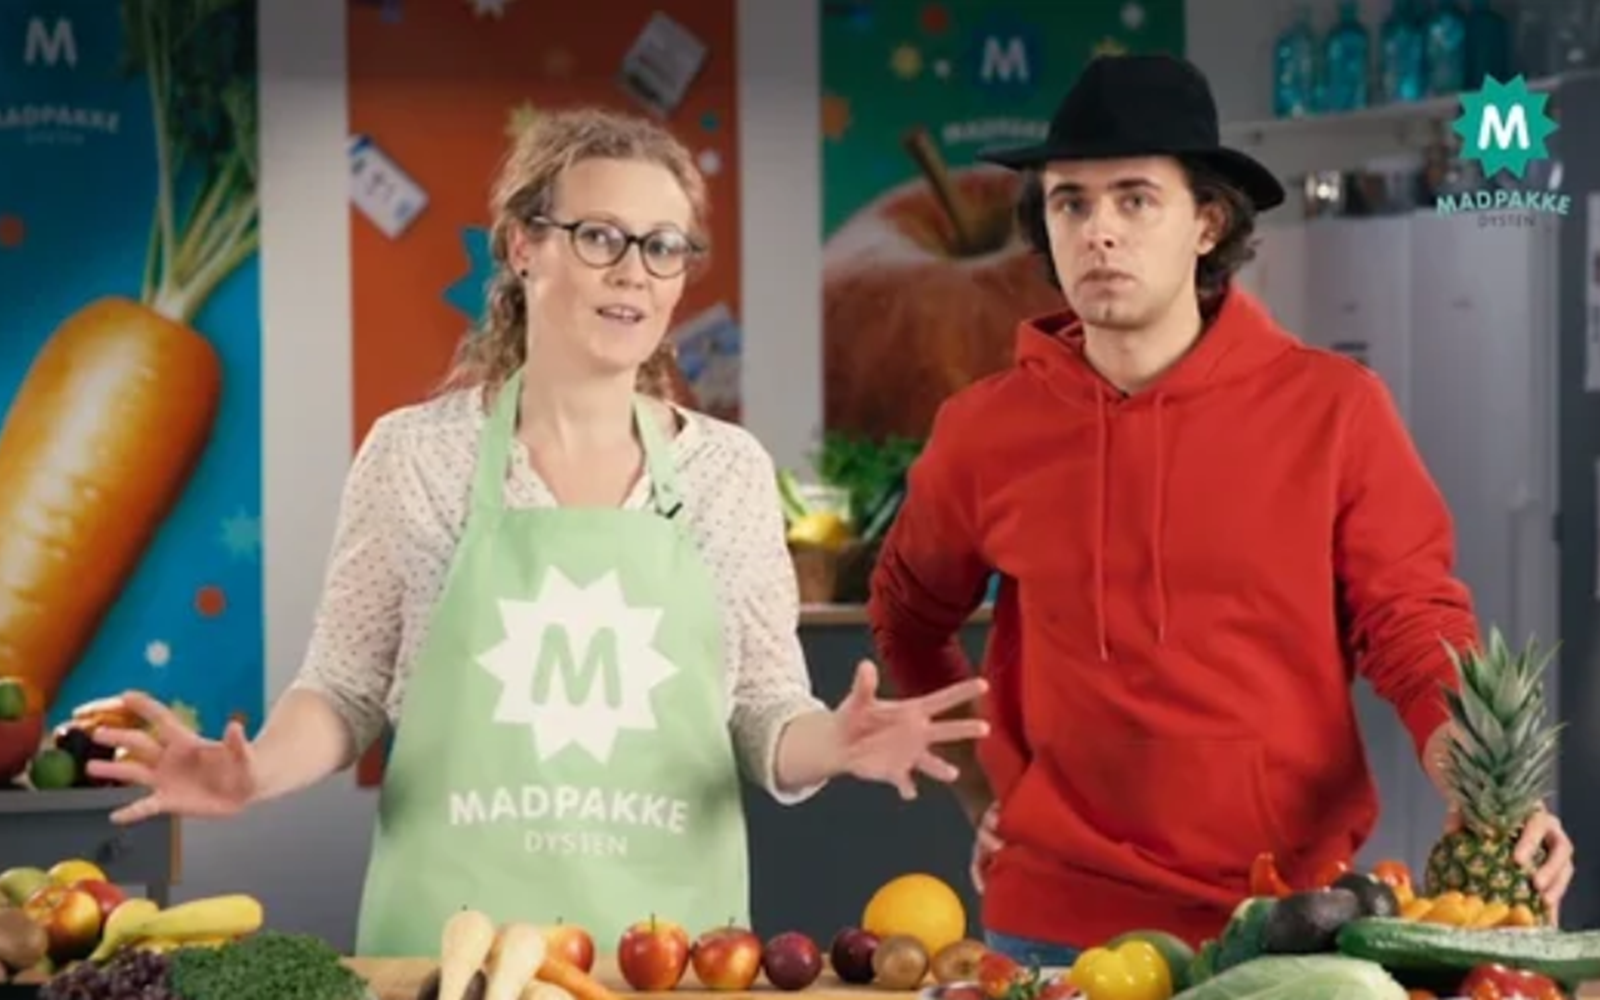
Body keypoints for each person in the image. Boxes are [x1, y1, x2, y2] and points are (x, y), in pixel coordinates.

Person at [86, 107, 988, 956]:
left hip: (666, 951)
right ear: (523, 247)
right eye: (600, 237)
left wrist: (836, 738)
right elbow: (347, 685)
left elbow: (760, 710)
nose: (634, 270)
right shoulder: (416, 456)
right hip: (449, 945)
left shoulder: (728, 473)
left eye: (664, 247)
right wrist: (257, 773)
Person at [866, 53, 1576, 965]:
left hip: (1292, 920)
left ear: (1206, 221)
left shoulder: (1334, 410)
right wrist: (982, 787)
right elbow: (906, 613)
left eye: (1134, 199)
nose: (1098, 232)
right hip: (1049, 924)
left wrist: (1485, 796)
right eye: (1070, 203)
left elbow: (1412, 627)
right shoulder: (982, 430)